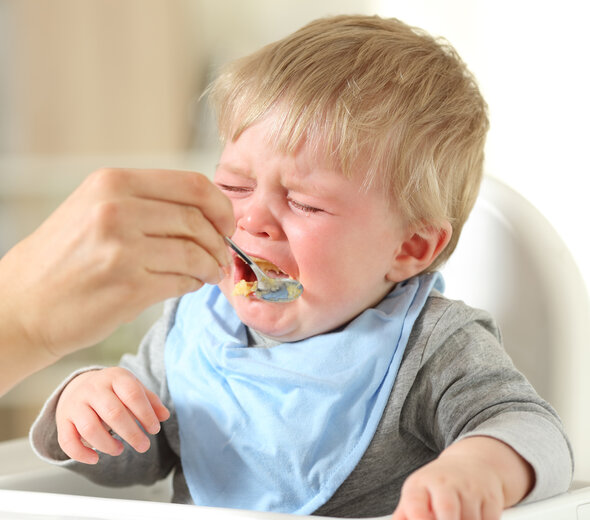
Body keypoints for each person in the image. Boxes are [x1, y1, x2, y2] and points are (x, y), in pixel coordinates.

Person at [30, 15, 572, 520]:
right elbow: (133, 463)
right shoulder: (193, 324)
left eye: (305, 203)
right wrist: (86, 409)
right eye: (235, 186)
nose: (253, 218)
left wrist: (476, 469)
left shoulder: (432, 346)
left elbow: (535, 430)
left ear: (409, 248)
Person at [0, 168, 234, 396]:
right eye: (236, 187)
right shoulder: (188, 320)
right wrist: (86, 397)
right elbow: (140, 401)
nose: (254, 220)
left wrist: (25, 326)